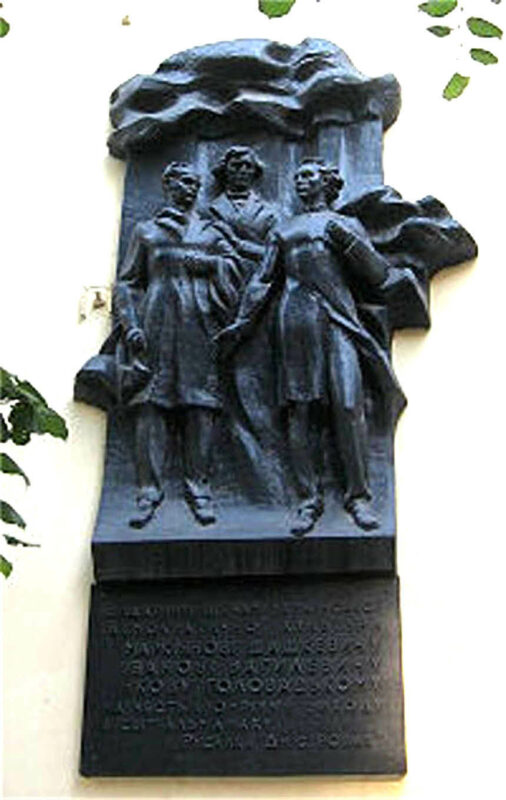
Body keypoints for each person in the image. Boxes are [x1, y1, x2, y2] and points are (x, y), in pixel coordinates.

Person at [217, 158, 405, 536]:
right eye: (298, 177)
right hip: (296, 321)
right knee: (300, 412)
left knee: (348, 403)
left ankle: (358, 497)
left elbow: (378, 275)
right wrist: (241, 322)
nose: (300, 182)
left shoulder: (346, 225)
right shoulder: (285, 229)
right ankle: (307, 498)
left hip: (339, 320)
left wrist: (348, 242)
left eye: (308, 176)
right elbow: (262, 281)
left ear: (327, 183)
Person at [114, 161, 239, 528]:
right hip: (155, 323)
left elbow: (233, 269)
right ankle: (148, 492)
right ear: (168, 185)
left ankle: (198, 488)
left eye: (195, 183)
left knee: (199, 405)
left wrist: (209, 265)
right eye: (183, 181)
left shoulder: (213, 230)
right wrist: (131, 325)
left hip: (200, 324)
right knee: (151, 404)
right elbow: (127, 283)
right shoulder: (147, 231)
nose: (190, 187)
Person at [208, 145, 277, 285]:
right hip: (219, 282)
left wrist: (239, 244)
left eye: (248, 166)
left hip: (258, 283)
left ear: (255, 171)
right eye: (236, 166)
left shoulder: (270, 211)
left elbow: (275, 255)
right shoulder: (208, 210)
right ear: (225, 170)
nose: (242, 170)